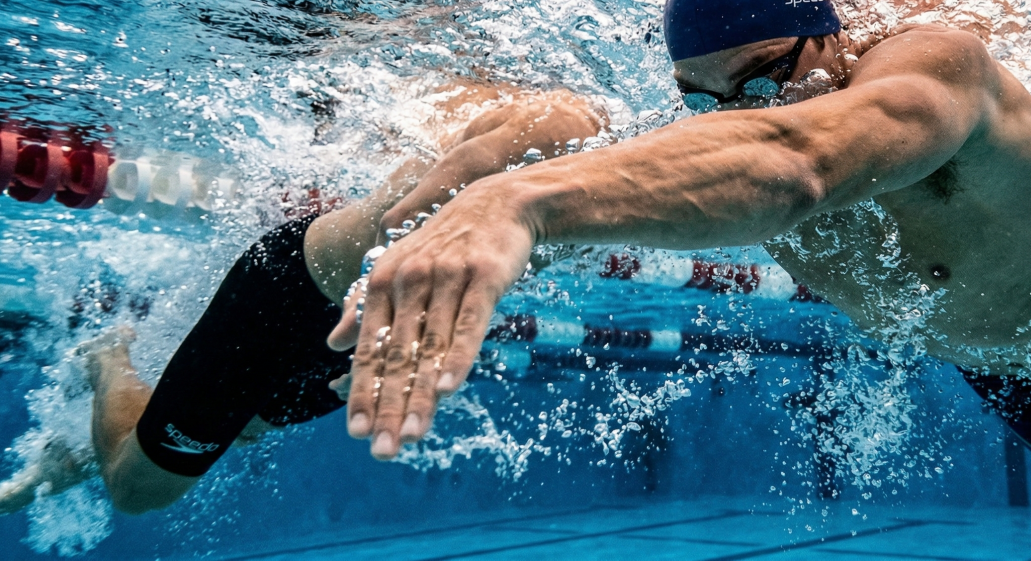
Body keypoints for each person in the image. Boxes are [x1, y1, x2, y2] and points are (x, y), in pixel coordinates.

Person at [341, 0, 1031, 561]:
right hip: (1005, 372)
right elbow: (692, 174)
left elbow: (800, 160)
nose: (735, 118)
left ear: (829, 38)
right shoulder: (731, 137)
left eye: (761, 81)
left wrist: (528, 204)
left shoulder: (936, 74)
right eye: (702, 103)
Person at [0, 80, 604, 516]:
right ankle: (108, 353)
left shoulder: (622, 162)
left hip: (369, 325)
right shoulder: (540, 117)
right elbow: (425, 203)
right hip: (296, 293)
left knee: (243, 426)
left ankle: (43, 472)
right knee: (138, 491)